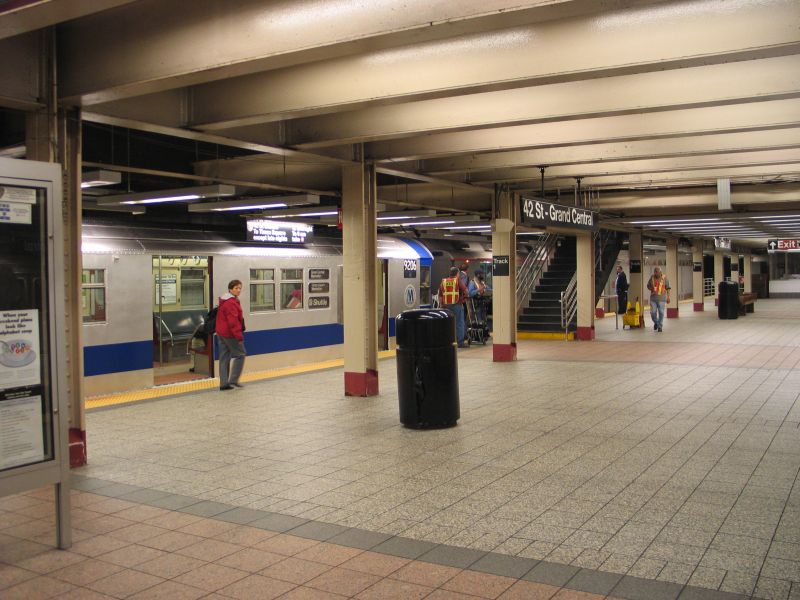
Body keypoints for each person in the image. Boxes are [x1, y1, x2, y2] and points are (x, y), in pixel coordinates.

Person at [216, 279, 246, 390]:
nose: (238, 290)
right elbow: (233, 321)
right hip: (230, 334)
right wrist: (238, 336)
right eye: (236, 288)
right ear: (230, 289)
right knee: (241, 355)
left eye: (240, 288)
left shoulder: (224, 300)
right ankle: (233, 380)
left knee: (224, 357)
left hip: (221, 332)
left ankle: (224, 383)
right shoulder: (231, 303)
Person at [438, 266, 469, 348]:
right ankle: (460, 342)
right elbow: (466, 290)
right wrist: (464, 298)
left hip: (446, 306)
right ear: (457, 273)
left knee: (447, 324)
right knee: (459, 323)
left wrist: (441, 305)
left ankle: (448, 341)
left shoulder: (444, 281)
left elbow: (440, 294)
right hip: (457, 304)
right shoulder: (457, 280)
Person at [646, 267, 670, 332]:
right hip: (653, 299)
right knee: (652, 313)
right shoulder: (652, 278)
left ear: (660, 272)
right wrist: (651, 288)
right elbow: (648, 286)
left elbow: (668, 288)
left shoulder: (664, 278)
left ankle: (660, 326)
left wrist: (668, 297)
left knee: (661, 312)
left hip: (662, 299)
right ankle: (656, 322)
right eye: (655, 272)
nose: (656, 273)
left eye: (657, 272)